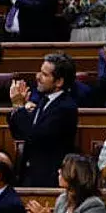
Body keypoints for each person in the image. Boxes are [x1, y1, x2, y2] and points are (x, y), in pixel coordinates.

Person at [7, 54, 80, 188]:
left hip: (48, 180)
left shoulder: (65, 108)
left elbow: (35, 135)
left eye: (44, 74)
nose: (38, 77)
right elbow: (18, 132)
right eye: (40, 71)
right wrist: (17, 108)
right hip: (30, 176)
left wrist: (18, 106)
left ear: (59, 82)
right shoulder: (43, 100)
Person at [25, 154, 106, 213]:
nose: (59, 171)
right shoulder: (63, 199)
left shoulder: (95, 207)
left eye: (65, 169)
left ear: (78, 175)